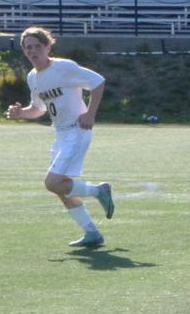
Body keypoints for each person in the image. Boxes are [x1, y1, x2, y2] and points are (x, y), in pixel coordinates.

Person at [7, 26, 116, 246]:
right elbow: (39, 109)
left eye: (38, 46)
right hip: (60, 135)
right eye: (28, 47)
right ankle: (92, 233)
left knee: (52, 182)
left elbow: (98, 82)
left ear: (47, 47)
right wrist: (21, 113)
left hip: (77, 131)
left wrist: (90, 114)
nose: (33, 51)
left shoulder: (63, 67)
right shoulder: (33, 77)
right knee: (60, 188)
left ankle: (98, 191)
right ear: (24, 51)